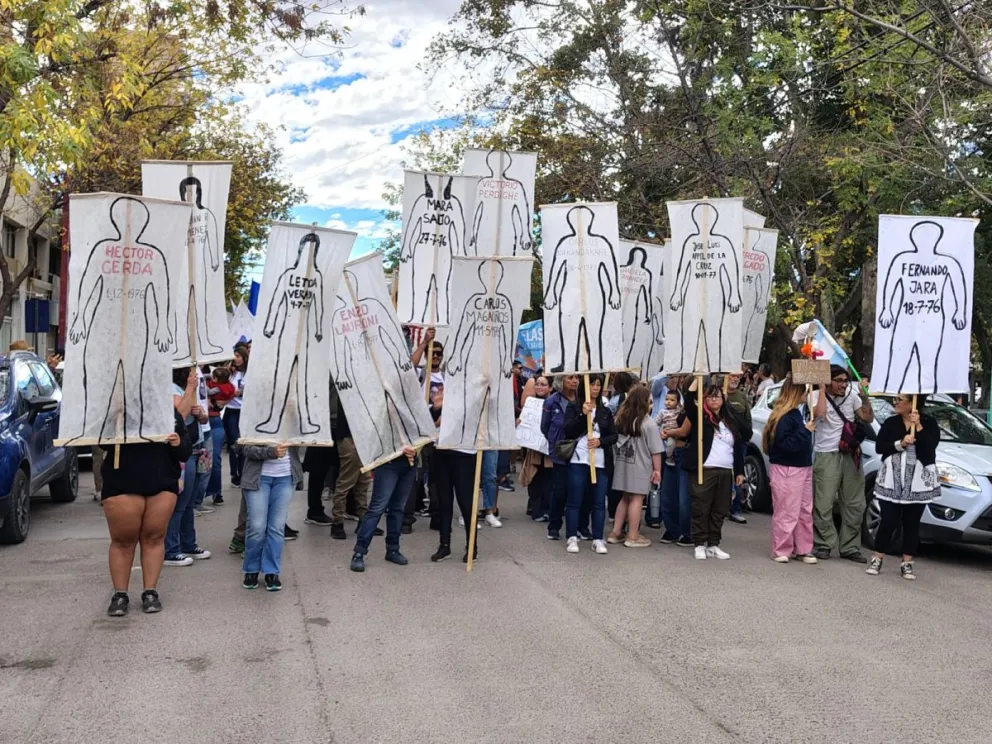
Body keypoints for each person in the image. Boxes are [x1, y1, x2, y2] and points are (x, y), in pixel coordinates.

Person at [103, 401, 194, 616]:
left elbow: (185, 452)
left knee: (154, 537)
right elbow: (101, 444)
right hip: (122, 482)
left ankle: (150, 591)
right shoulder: (115, 410)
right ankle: (120, 594)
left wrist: (177, 442)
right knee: (123, 540)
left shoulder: (169, 413)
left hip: (161, 481)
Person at [867, 395, 940, 579]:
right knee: (888, 520)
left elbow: (931, 447)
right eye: (896, 399)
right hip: (892, 478)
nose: (896, 402)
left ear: (912, 403)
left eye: (900, 399)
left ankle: (907, 562)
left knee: (911, 523)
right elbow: (879, 447)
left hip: (918, 481)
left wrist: (920, 428)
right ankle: (877, 557)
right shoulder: (891, 422)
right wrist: (900, 444)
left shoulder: (929, 423)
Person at [683, 378, 752, 560]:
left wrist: (738, 471)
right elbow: (689, 402)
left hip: (725, 470)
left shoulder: (729, 419)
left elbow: (746, 434)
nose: (714, 401)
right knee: (701, 507)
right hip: (705, 469)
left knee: (719, 509)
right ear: (705, 400)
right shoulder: (701, 417)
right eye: (710, 397)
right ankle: (699, 543)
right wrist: (696, 380)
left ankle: (713, 543)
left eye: (718, 397)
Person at [812, 365, 874, 562]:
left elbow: (867, 417)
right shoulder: (814, 395)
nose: (843, 385)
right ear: (827, 380)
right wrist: (821, 389)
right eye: (838, 380)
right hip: (826, 453)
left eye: (845, 381)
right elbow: (820, 414)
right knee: (823, 502)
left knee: (855, 502)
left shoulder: (852, 396)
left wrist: (865, 397)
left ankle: (850, 546)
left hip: (850, 454)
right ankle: (823, 543)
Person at [762, 377, 817, 563]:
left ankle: (803, 548)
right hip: (787, 467)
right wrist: (806, 431)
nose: (806, 395)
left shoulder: (795, 413)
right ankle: (781, 549)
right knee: (786, 509)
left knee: (803, 509)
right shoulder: (785, 417)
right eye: (803, 391)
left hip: (802, 466)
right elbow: (785, 444)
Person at [562, 374, 617, 555]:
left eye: (598, 385)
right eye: (592, 384)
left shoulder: (605, 410)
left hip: (600, 462)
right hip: (579, 458)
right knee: (575, 499)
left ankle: (597, 538)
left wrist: (600, 442)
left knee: (599, 501)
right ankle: (571, 536)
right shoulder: (574, 406)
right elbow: (568, 430)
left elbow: (613, 435)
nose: (595, 387)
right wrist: (582, 415)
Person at [164, 367, 211, 567]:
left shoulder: (190, 390)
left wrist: (201, 415)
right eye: (192, 372)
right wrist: (190, 388)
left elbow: (204, 418)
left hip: (195, 448)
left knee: (190, 501)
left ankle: (188, 543)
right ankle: (171, 549)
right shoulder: (172, 389)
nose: (196, 375)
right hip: (182, 452)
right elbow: (179, 416)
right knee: (179, 502)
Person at [240, 442, 303, 591]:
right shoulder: (252, 418)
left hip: (286, 477)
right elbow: (243, 447)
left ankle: (272, 571)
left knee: (277, 527)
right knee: (256, 526)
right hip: (258, 477)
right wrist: (270, 452)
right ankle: (251, 569)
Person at [608, 385, 662, 548]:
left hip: (623, 463)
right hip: (640, 464)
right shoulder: (648, 424)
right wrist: (657, 470)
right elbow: (656, 450)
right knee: (637, 499)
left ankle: (616, 532)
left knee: (625, 497)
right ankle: (633, 535)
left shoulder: (621, 419)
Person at [350, 446, 418, 572]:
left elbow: (424, 431)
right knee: (377, 508)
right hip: (387, 461)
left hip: (409, 462)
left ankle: (393, 549)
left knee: (397, 508)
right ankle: (359, 552)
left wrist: (416, 449)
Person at [541, 374, 580, 540]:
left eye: (577, 378)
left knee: (578, 491)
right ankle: (554, 526)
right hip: (561, 453)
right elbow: (545, 426)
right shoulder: (551, 401)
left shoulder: (582, 400)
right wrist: (555, 442)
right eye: (570, 377)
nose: (574, 381)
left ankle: (578, 527)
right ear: (562, 380)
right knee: (560, 491)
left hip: (580, 452)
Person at [329, 405, 373, 540]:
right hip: (350, 435)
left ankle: (362, 519)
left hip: (363, 435)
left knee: (363, 480)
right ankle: (337, 522)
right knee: (347, 480)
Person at [657, 391, 692, 544]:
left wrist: (669, 432)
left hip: (686, 452)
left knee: (683, 497)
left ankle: (687, 531)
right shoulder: (670, 411)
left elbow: (685, 431)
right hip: (672, 451)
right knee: (668, 494)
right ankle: (672, 529)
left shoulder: (691, 409)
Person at [519, 374, 554, 521]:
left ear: (550, 387)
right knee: (534, 476)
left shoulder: (554, 402)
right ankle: (535, 508)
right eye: (537, 384)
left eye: (543, 384)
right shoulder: (530, 404)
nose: (539, 387)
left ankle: (546, 508)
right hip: (533, 448)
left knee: (548, 478)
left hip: (548, 449)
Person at [205, 366, 236, 505]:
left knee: (215, 460)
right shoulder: (227, 386)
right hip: (204, 421)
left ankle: (216, 492)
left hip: (214, 421)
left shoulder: (214, 385)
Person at [725, 373, 753, 524]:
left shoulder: (741, 397)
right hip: (721, 441)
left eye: (737, 376)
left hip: (739, 441)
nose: (735, 379)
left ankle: (735, 509)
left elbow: (747, 420)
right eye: (732, 376)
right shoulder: (717, 393)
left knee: (738, 473)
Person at [225, 346, 249, 487]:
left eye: (238, 356)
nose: (236, 359)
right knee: (234, 443)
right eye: (234, 356)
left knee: (244, 443)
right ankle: (235, 474)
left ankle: (243, 471)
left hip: (244, 410)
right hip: (232, 410)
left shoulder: (249, 372)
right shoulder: (230, 373)